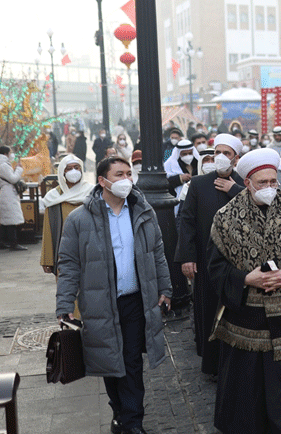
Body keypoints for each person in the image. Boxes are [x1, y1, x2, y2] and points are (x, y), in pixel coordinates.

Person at [56, 156, 172, 434]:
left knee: (131, 363)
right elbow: (68, 263)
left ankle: (133, 422)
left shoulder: (143, 212)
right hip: (99, 304)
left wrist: (165, 288)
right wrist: (64, 303)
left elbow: (157, 252)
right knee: (109, 363)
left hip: (135, 302)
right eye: (119, 174)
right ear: (102, 181)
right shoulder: (79, 219)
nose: (126, 180)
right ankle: (119, 413)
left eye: (129, 174)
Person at [207, 148, 281, 433]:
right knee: (246, 386)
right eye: (262, 183)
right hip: (246, 318)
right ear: (248, 182)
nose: (269, 188)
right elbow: (214, 267)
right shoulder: (226, 216)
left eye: (273, 182)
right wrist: (244, 279)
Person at [175, 135, 245, 376]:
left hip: (239, 264)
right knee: (208, 311)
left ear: (236, 159)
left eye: (227, 153)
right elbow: (187, 222)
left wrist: (235, 190)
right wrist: (187, 257)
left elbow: (258, 209)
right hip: (206, 262)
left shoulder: (244, 183)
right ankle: (213, 365)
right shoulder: (198, 184)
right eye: (218, 153)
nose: (221, 158)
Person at [41, 154, 93, 280]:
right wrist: (47, 259)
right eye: (69, 169)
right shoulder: (53, 198)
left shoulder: (91, 192)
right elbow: (49, 230)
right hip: (64, 252)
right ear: (62, 172)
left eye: (76, 167)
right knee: (67, 290)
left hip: (90, 250)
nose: (73, 171)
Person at [0, 146, 28, 251]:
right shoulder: (3, 165)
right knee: (11, 219)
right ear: (6, 154)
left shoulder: (1, 164)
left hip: (7, 193)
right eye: (10, 152)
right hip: (9, 194)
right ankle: (14, 243)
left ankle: (1, 242)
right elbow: (13, 179)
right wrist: (19, 169)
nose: (11, 154)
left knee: (6, 220)